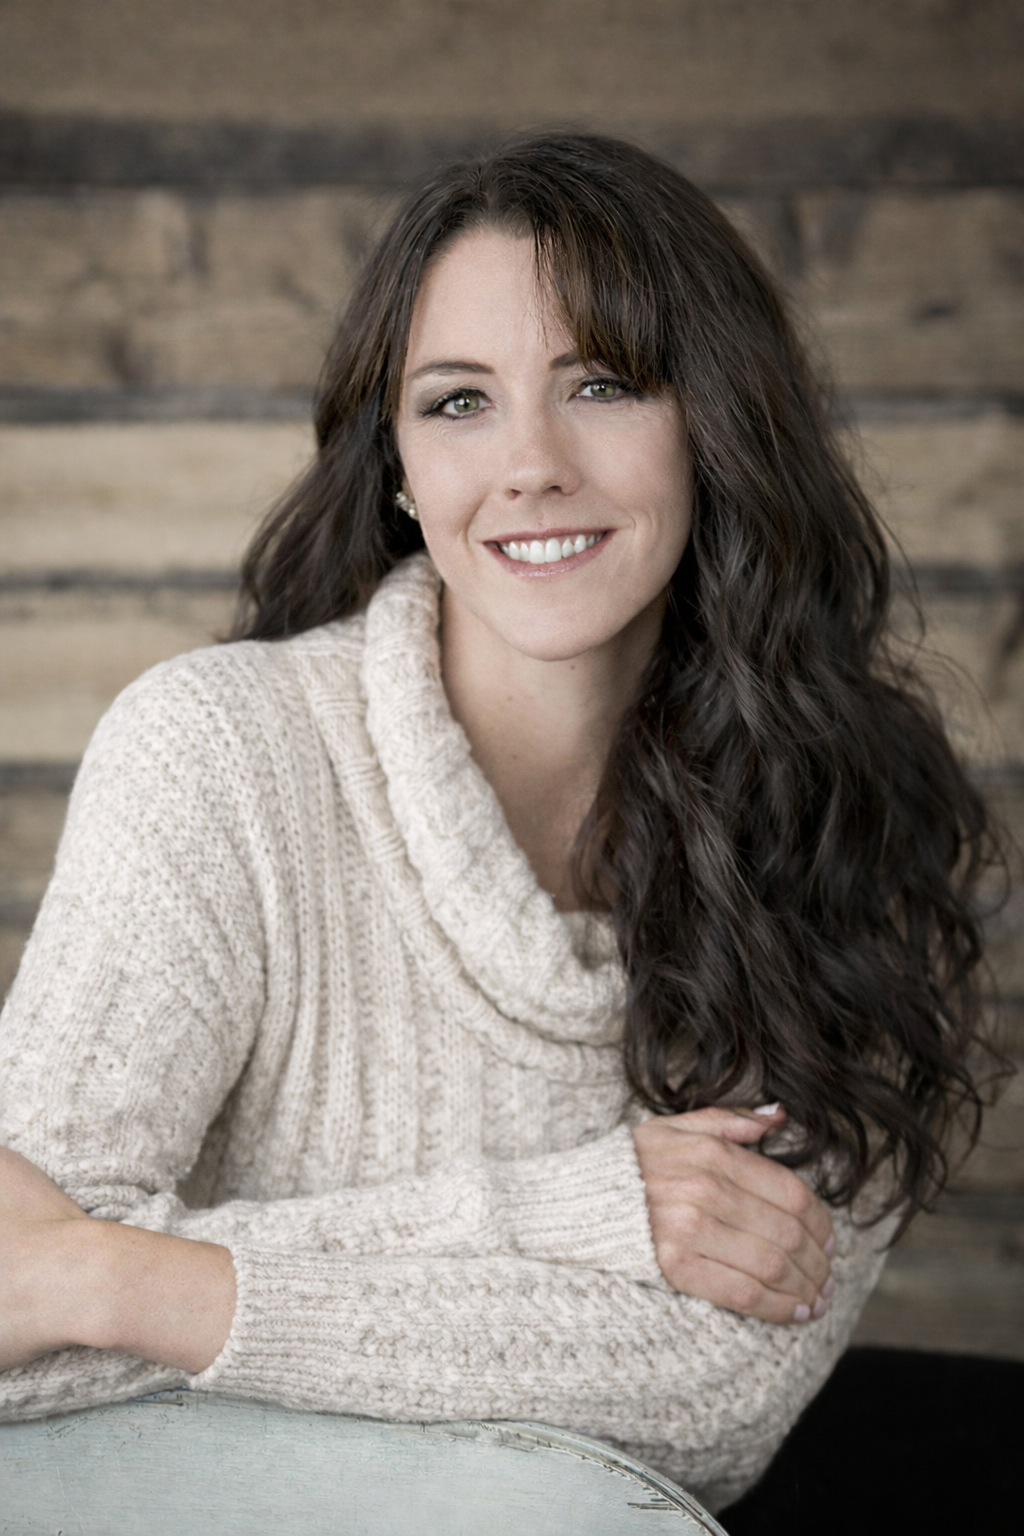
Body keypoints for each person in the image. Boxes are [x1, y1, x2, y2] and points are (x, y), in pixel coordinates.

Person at [0, 133, 1001, 1517]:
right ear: (399, 468)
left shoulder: (852, 832)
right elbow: (7, 1346)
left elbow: (709, 1405)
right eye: (459, 403)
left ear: (714, 423)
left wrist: (123, 1276)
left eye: (600, 384)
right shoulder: (220, 758)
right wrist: (573, 1219)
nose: (529, 464)